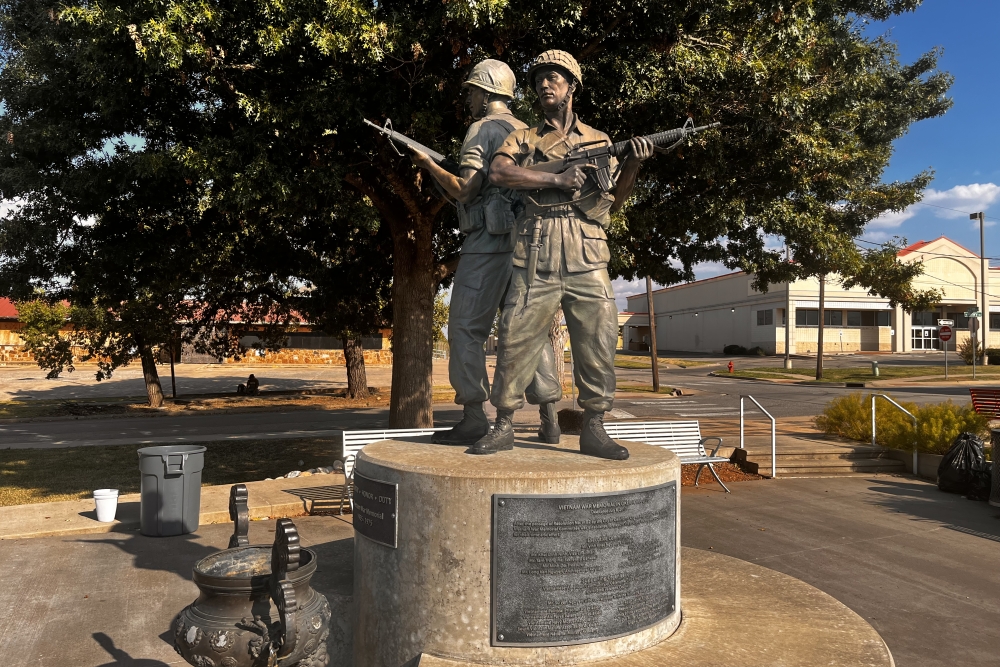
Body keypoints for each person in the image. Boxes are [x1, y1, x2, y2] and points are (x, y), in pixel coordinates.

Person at [471, 50, 655, 459]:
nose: (544, 85)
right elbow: (498, 173)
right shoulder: (523, 138)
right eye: (538, 80)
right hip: (537, 245)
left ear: (572, 86)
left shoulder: (599, 140)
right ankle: (503, 423)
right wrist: (554, 175)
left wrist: (632, 167)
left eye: (553, 77)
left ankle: (594, 425)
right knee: (516, 335)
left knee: (599, 337)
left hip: (587, 248)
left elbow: (611, 205)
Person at [411, 59, 562, 447]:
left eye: (473, 91)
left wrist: (428, 165)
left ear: (488, 91)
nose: (470, 98)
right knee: (529, 330)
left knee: (464, 327)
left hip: (489, 242)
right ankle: (549, 419)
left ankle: (474, 416)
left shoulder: (482, 128)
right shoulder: (525, 130)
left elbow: (467, 189)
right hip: (528, 241)